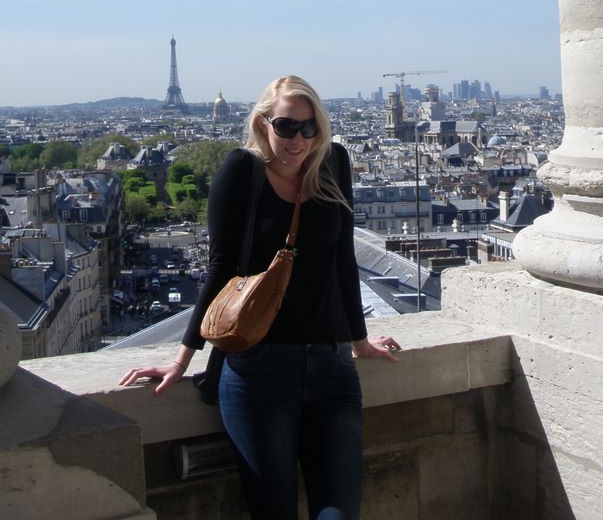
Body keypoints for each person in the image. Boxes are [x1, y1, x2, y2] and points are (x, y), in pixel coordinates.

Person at [119, 74, 401, 520]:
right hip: (258, 367)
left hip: (331, 365)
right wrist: (182, 360)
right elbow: (220, 270)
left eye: (309, 127)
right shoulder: (241, 169)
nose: (298, 139)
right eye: (286, 126)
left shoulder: (334, 161)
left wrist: (359, 340)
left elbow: (342, 259)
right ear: (262, 123)